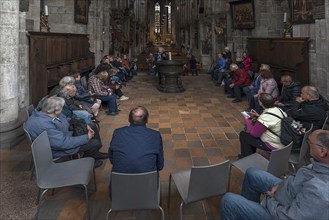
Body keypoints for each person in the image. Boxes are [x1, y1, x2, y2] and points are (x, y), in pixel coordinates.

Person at [221, 129, 329, 220]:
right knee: (252, 172)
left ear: (322, 151)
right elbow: (299, 179)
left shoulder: (320, 191)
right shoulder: (321, 164)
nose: (307, 144)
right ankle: (247, 213)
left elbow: (289, 217)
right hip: (290, 193)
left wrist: (270, 199)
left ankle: (248, 210)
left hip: (282, 212)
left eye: (309, 142)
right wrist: (282, 184)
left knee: (228, 200)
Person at [24, 96, 107, 168]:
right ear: (55, 111)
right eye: (61, 108)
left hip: (62, 136)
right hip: (56, 149)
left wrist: (84, 124)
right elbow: (63, 143)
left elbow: (65, 120)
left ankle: (95, 154)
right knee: (94, 142)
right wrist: (86, 138)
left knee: (91, 126)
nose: (62, 110)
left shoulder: (47, 112)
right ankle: (87, 161)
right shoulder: (44, 125)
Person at [108, 106, 164, 173]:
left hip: (120, 181)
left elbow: (111, 157)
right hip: (148, 181)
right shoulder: (155, 135)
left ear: (129, 119)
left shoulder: (118, 132)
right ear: (147, 120)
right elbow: (160, 165)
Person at [239, 93, 287, 158]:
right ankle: (251, 155)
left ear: (261, 103)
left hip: (274, 145)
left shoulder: (265, 117)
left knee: (243, 135)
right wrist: (258, 116)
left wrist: (246, 119)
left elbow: (254, 134)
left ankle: (245, 158)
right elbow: (272, 120)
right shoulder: (279, 110)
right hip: (283, 141)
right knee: (251, 135)